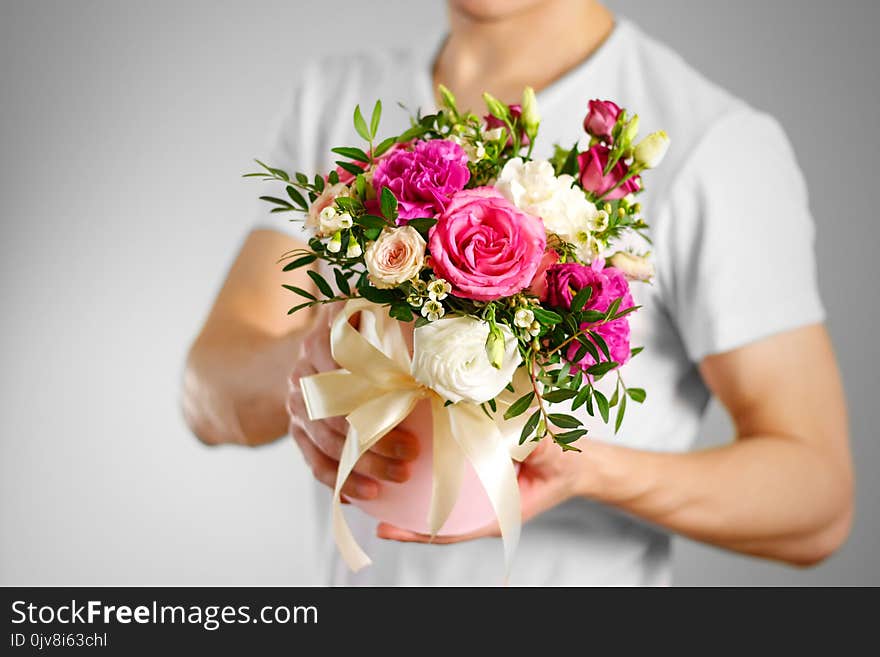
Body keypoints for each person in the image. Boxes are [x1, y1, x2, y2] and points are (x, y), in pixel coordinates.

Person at [182, 0, 853, 585]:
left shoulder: (712, 142)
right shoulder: (337, 93)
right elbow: (204, 390)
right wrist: (309, 380)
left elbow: (818, 499)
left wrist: (588, 469)